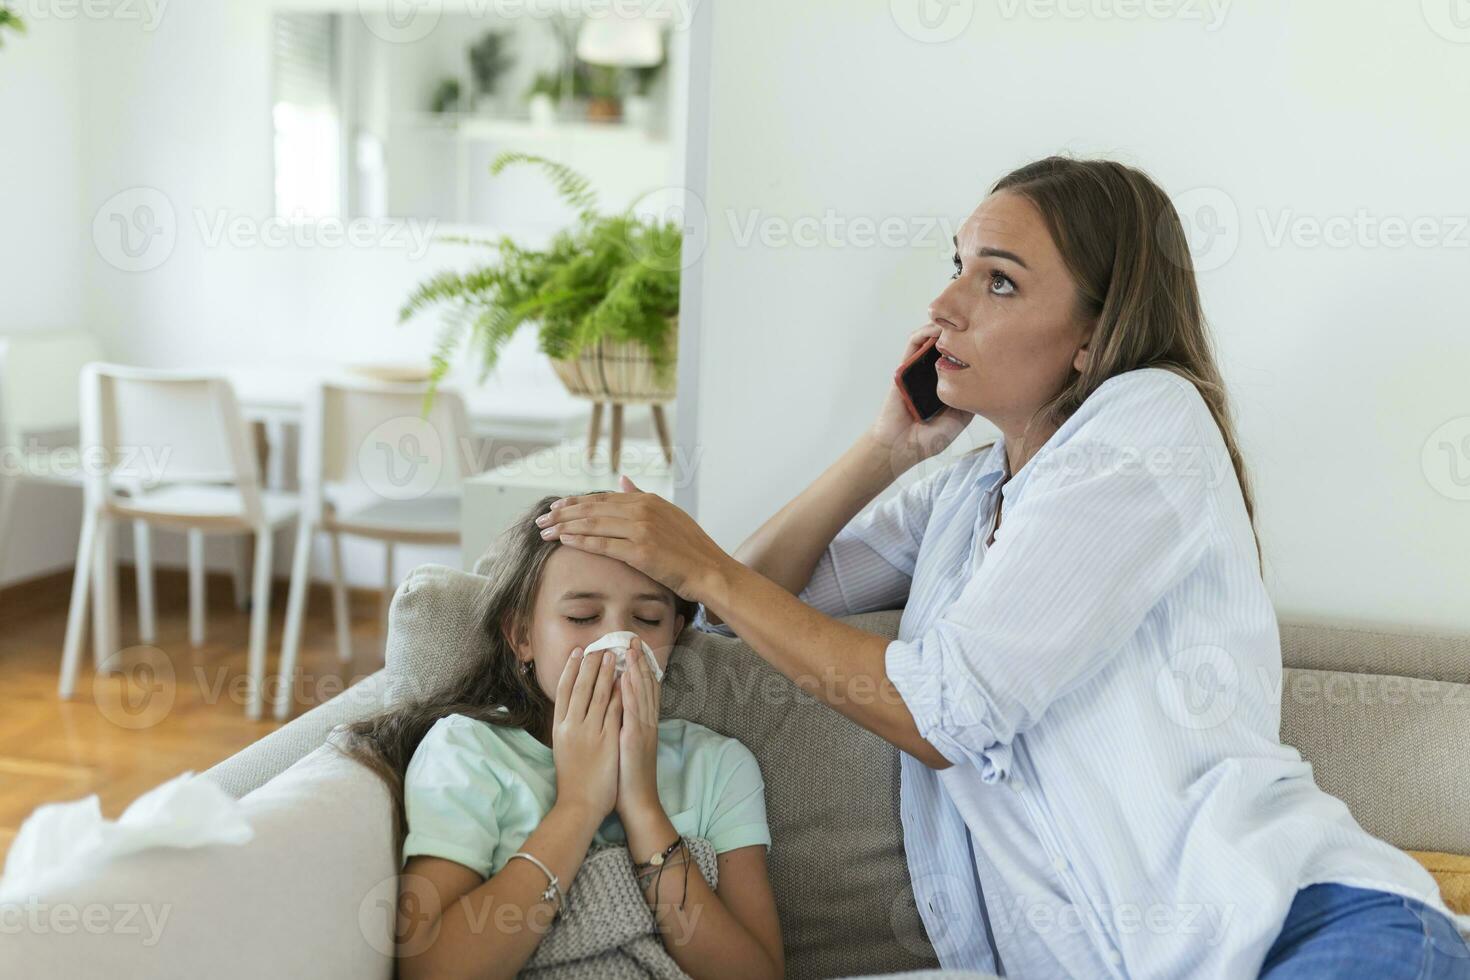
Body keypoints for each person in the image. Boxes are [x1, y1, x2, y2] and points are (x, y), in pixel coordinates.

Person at [535, 157, 1470, 978]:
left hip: (1304, 933)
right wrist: (883, 449)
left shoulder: (1150, 422)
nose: (945, 305)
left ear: (1093, 341)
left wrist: (701, 565)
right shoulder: (966, 491)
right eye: (957, 268)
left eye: (1001, 283)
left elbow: (949, 710)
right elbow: (740, 615)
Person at [336, 494, 784, 980]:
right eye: (583, 618)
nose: (618, 643)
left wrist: (642, 806)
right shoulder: (468, 752)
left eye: (648, 620)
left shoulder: (719, 765)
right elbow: (434, 970)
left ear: (675, 634)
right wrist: (579, 804)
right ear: (522, 635)